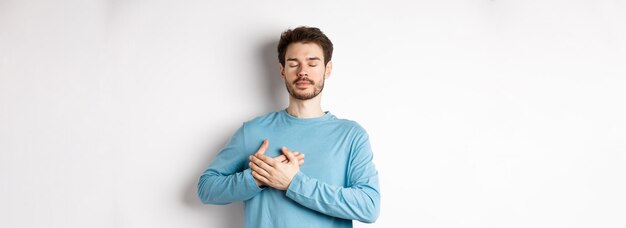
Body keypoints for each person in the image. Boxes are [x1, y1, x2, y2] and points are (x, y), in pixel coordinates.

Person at [197, 26, 380, 228]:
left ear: (327, 69)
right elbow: (206, 188)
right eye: (294, 64)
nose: (303, 72)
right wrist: (258, 178)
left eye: (312, 63)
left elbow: (369, 207)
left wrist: (293, 183)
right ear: (282, 70)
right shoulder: (253, 131)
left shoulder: (351, 135)